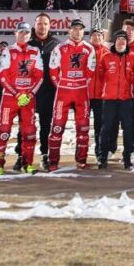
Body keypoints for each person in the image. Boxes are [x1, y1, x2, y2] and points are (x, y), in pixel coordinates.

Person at [0, 23, 45, 174]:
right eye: (21, 32)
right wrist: (17, 94)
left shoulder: (35, 51)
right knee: (4, 131)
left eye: (27, 32)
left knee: (29, 132)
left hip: (28, 99)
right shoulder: (8, 51)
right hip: (10, 97)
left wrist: (29, 94)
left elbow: (39, 75)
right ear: (15, 34)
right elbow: (2, 76)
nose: (24, 35)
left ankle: (27, 163)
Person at [47, 20, 96, 170]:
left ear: (83, 32)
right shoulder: (60, 48)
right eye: (74, 29)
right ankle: (53, 162)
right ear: (69, 31)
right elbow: (53, 70)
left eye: (80, 29)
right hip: (63, 92)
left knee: (83, 129)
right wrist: (62, 85)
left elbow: (90, 72)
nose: (77, 32)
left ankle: (81, 160)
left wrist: (80, 84)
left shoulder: (89, 49)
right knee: (57, 128)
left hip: (81, 92)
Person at [96, 30, 134, 169]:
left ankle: (127, 158)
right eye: (118, 40)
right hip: (109, 100)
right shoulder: (106, 57)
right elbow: (100, 75)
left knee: (128, 129)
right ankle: (102, 157)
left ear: (126, 43)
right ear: (114, 42)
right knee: (107, 128)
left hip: (126, 99)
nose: (121, 42)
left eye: (123, 40)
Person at [28, 12, 59, 170]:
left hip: (48, 92)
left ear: (50, 25)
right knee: (25, 125)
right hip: (28, 93)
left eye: (45, 24)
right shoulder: (28, 43)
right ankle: (23, 156)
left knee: (46, 125)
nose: (42, 26)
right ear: (35, 25)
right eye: (39, 23)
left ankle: (44, 155)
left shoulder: (56, 44)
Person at [87, 28, 108, 161]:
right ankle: (81, 155)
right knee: (82, 125)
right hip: (85, 94)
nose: (97, 38)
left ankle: (100, 153)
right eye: (94, 36)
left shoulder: (107, 53)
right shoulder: (85, 51)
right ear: (90, 38)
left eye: (99, 36)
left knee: (100, 125)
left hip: (101, 96)